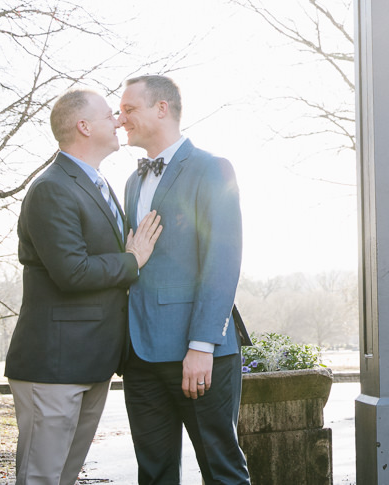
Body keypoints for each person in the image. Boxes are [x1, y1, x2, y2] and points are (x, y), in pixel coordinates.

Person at [5, 88, 164, 485]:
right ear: (84, 126)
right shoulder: (51, 188)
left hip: (92, 363)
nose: (118, 120)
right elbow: (71, 272)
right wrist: (132, 261)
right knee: (42, 479)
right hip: (53, 366)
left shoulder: (97, 183)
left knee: (65, 478)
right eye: (109, 114)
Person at [119, 74, 250, 485]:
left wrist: (201, 345)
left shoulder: (212, 169)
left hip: (198, 355)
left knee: (221, 471)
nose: (121, 118)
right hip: (140, 358)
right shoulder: (131, 182)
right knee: (154, 475)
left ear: (162, 108)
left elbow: (223, 261)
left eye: (129, 109)